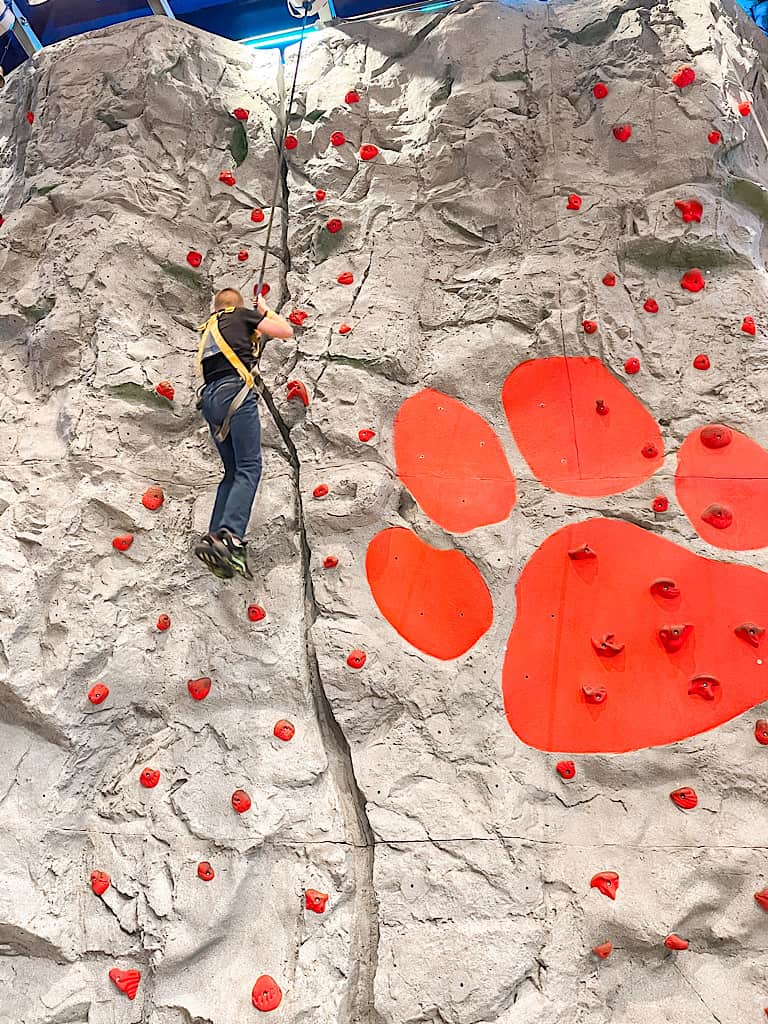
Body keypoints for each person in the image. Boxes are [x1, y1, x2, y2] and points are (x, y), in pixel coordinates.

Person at [194, 287, 294, 580]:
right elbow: (284, 330)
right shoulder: (242, 316)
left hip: (210, 402)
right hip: (234, 392)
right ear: (237, 306)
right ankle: (230, 536)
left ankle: (214, 537)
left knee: (232, 471)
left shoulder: (209, 328)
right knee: (250, 468)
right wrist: (263, 310)